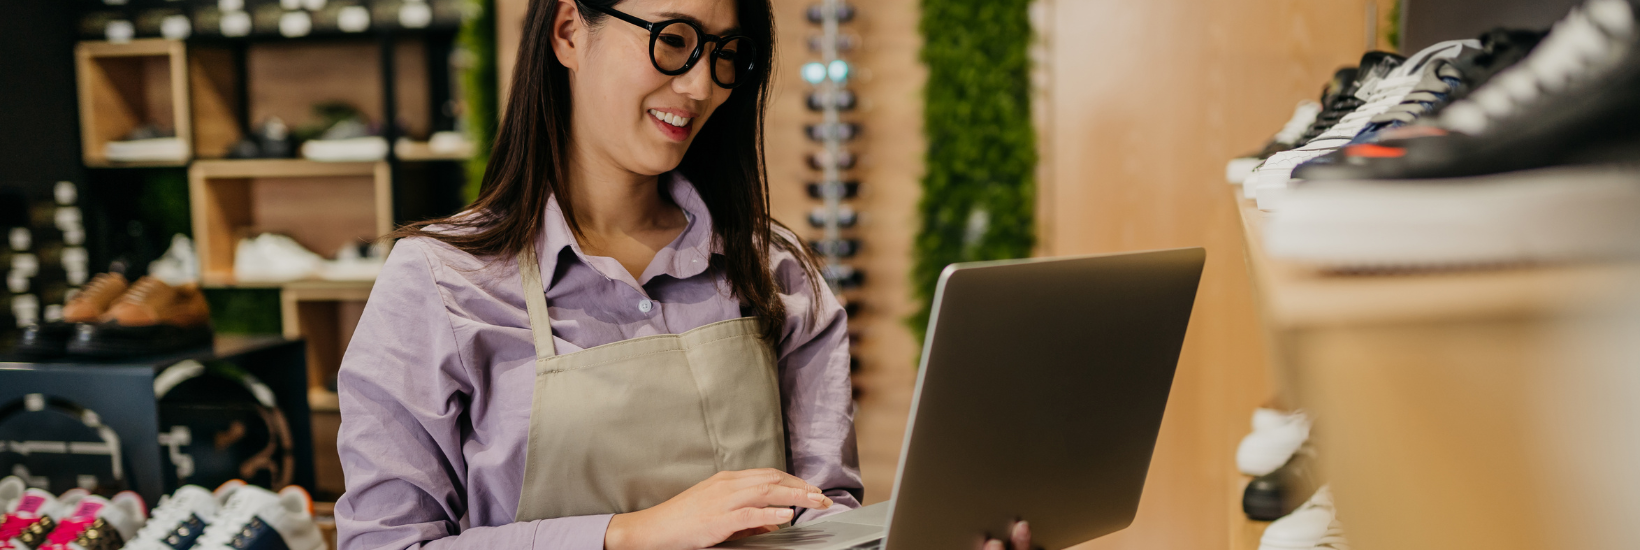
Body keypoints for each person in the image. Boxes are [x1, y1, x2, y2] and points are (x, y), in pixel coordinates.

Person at [334, 0, 1034, 549]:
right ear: (570, 32)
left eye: (726, 55)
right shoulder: (438, 283)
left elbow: (823, 524)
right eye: (673, 39)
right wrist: (631, 535)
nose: (701, 85)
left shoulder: (776, 273)